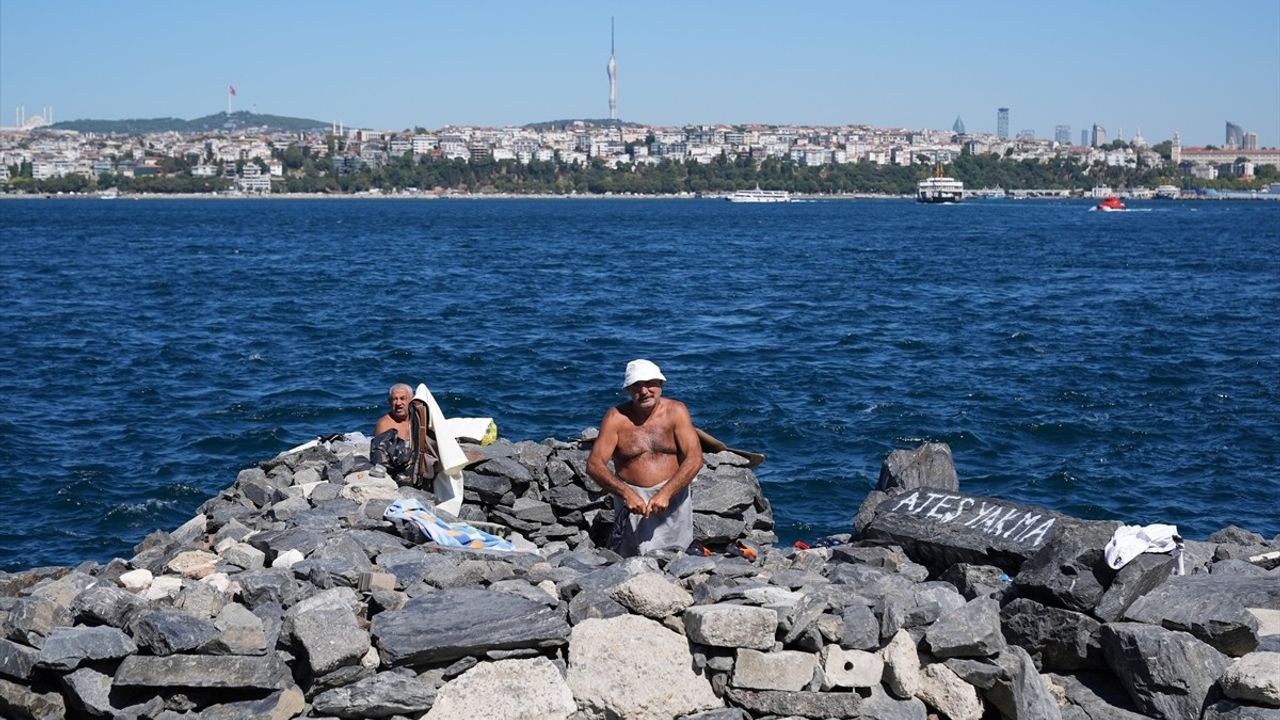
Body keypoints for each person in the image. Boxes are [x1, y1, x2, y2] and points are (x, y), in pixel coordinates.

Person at [587, 359, 703, 556]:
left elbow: (695, 458)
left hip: (673, 501)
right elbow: (594, 465)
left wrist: (667, 492)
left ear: (661, 385)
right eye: (637, 386)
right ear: (628, 390)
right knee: (633, 560)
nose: (644, 391)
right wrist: (627, 494)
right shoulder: (616, 418)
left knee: (678, 559)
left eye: (650, 384)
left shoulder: (676, 411)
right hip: (633, 504)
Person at [371, 383, 436, 483]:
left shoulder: (419, 420)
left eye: (402, 398)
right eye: (394, 399)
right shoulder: (384, 425)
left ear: (411, 400)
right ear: (389, 402)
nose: (398, 403)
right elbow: (380, 461)